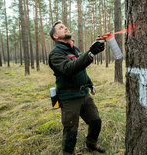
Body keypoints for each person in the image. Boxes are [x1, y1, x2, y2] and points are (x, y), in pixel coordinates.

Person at [48, 21, 105, 154]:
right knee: (71, 131)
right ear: (55, 36)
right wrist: (90, 53)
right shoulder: (55, 53)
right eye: (61, 28)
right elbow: (69, 69)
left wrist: (90, 84)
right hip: (69, 98)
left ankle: (91, 144)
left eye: (65, 26)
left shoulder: (75, 48)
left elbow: (81, 69)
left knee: (96, 122)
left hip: (84, 95)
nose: (65, 28)